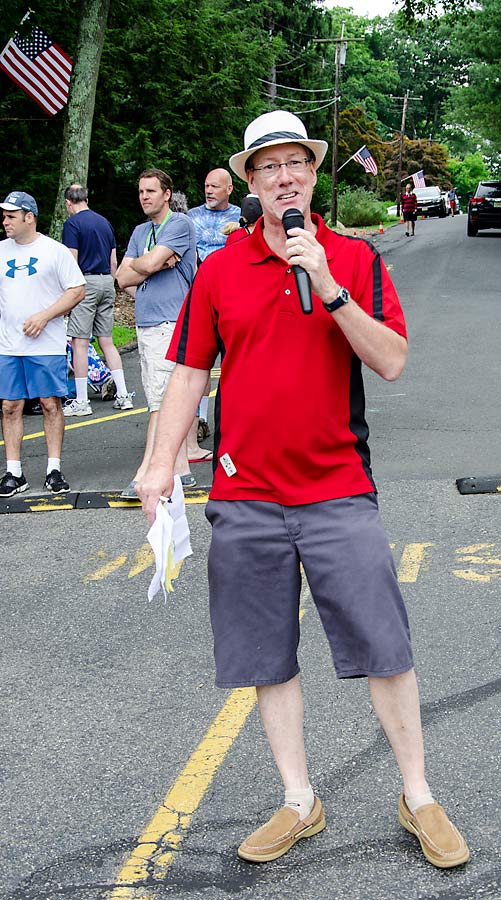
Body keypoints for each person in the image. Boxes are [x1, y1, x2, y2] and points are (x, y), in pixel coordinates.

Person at [137, 110, 469, 870]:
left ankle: (417, 794)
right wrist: (160, 463)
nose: (284, 176)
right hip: (244, 493)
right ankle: (298, 799)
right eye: (268, 166)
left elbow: (389, 362)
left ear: (313, 175)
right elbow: (189, 372)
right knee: (264, 656)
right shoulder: (219, 270)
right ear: (250, 182)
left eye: (296, 163)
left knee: (384, 646)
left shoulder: (352, 258)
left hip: (336, 489)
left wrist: (327, 284)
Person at [116, 168, 197, 498]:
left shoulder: (178, 224)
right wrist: (148, 262)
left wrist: (146, 264)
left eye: (151, 191)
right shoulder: (140, 231)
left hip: (170, 323)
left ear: (166, 194)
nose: (144, 196)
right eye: (141, 192)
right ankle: (181, 470)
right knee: (158, 398)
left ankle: (146, 472)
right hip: (146, 325)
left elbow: (144, 267)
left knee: (161, 403)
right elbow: (122, 277)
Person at [0, 191, 86, 496]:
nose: (5, 221)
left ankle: (53, 469)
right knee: (10, 406)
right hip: (9, 345)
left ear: (29, 217)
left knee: (50, 404)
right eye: (4, 216)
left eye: (11, 216)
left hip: (45, 344)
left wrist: (44, 316)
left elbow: (77, 290)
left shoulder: (54, 251)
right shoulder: (1, 251)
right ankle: (14, 473)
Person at [61, 184, 133, 416]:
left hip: (85, 282)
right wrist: (111, 281)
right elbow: (113, 261)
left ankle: (82, 400)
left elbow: (72, 261)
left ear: (68, 203)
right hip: (106, 282)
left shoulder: (72, 224)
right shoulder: (104, 222)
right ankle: (122, 394)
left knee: (79, 341)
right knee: (107, 340)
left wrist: (67, 294)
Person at [187, 168, 241, 262]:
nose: (208, 191)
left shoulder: (240, 216)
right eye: (206, 186)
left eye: (214, 186)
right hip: (198, 273)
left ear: (229, 189)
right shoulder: (191, 216)